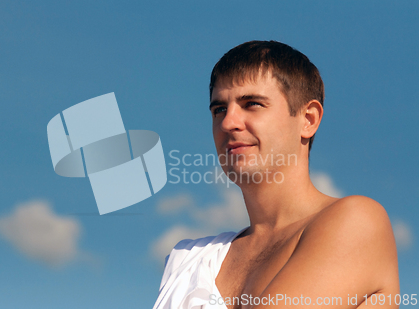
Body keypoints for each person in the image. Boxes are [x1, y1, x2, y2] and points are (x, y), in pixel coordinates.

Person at [153, 41, 399, 309]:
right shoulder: (188, 258)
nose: (227, 122)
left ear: (308, 119)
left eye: (252, 104)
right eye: (219, 109)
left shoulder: (357, 221)